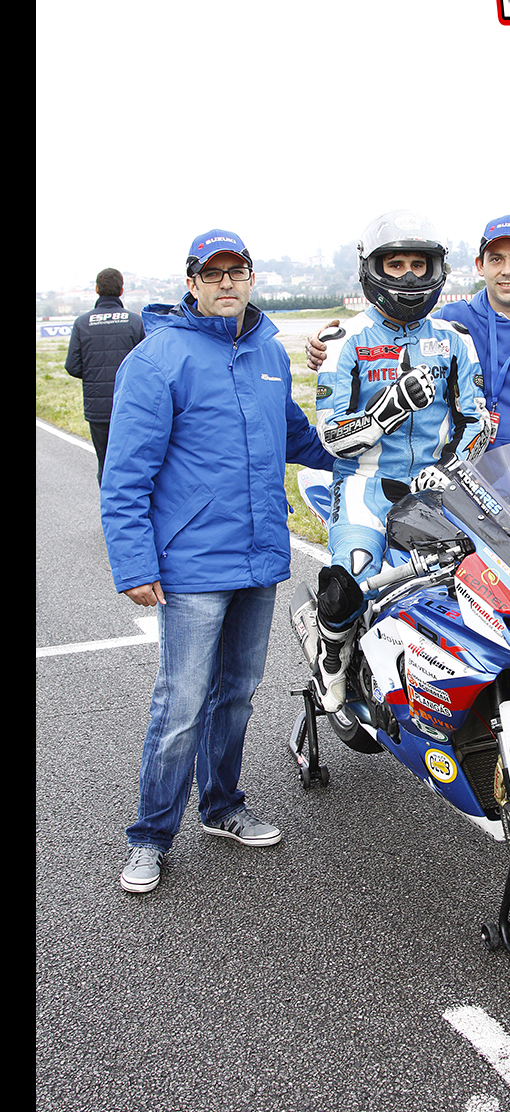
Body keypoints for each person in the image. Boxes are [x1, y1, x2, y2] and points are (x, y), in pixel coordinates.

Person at [100, 229, 335, 894]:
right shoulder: (157, 358)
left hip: (258, 559)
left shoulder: (267, 350)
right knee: (181, 705)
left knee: (236, 695)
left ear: (252, 278)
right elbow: (125, 476)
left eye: (239, 271)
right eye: (215, 273)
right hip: (192, 566)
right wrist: (134, 564)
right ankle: (149, 835)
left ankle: (223, 806)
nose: (228, 282)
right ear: (193, 282)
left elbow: (292, 433)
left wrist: (359, 455)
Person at [312, 209, 490, 712]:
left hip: (440, 485)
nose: (410, 276)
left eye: (419, 264)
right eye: (396, 266)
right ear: (373, 269)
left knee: (484, 581)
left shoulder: (457, 340)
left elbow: (476, 420)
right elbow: (330, 435)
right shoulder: (342, 341)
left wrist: (452, 467)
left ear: (437, 270)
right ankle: (332, 659)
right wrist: (388, 410)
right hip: (365, 484)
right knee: (353, 577)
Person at [307, 214, 510, 449]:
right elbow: (395, 333)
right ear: (479, 265)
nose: (507, 269)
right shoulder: (450, 322)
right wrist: (326, 346)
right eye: (496, 258)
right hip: (468, 473)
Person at [64, 268, 145, 483]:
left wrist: (94, 375)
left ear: (97, 289)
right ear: (121, 290)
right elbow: (148, 366)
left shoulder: (82, 323)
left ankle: (108, 508)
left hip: (98, 408)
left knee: (105, 462)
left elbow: (72, 366)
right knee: (133, 462)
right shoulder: (134, 321)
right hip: (131, 405)